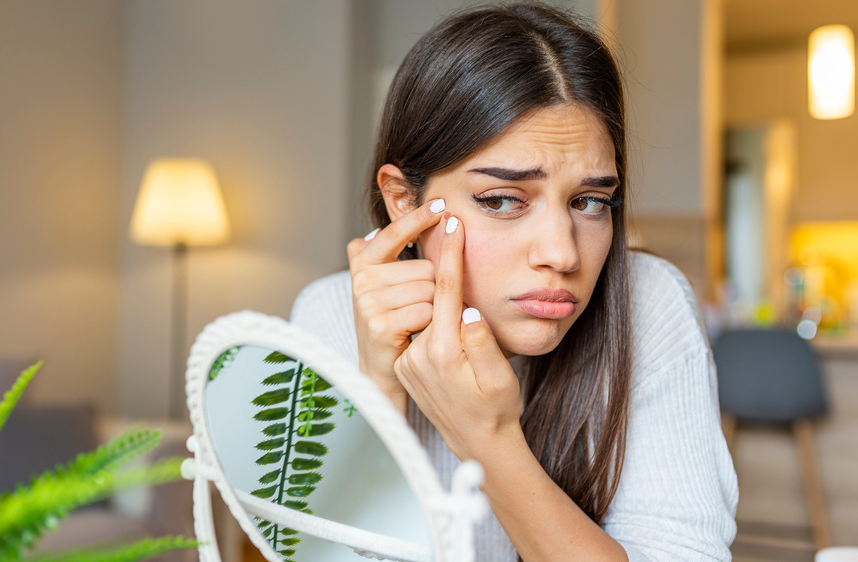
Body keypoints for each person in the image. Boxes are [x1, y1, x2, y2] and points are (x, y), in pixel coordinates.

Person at [291, 2, 738, 560]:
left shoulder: (648, 304)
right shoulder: (330, 317)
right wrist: (377, 398)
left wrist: (488, 440)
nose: (561, 252)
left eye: (590, 202)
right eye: (501, 200)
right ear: (405, 201)